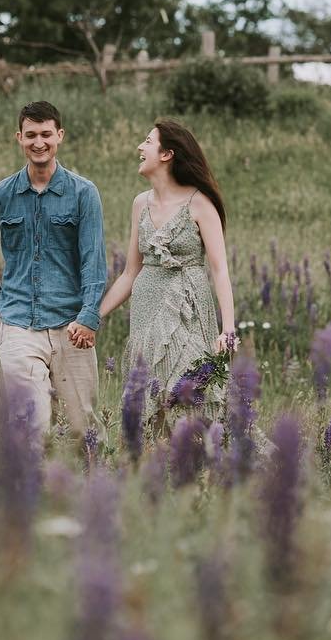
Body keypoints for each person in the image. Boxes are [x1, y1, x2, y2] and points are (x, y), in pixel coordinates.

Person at [0, 100, 107, 439]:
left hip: (71, 325)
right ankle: (28, 490)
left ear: (59, 136)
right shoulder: (0, 195)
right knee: (31, 424)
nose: (39, 142)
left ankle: (84, 489)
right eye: (31, 135)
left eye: (46, 134)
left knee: (82, 430)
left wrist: (89, 316)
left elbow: (94, 261)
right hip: (18, 326)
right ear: (19, 138)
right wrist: (0, 304)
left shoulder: (83, 193)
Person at [99, 118, 235, 428]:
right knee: (150, 401)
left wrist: (227, 329)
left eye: (147, 141)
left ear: (167, 154)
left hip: (187, 310)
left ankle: (202, 462)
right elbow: (130, 273)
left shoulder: (200, 204)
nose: (139, 147)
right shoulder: (139, 204)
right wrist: (95, 316)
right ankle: (156, 469)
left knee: (190, 394)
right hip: (146, 312)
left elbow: (220, 270)